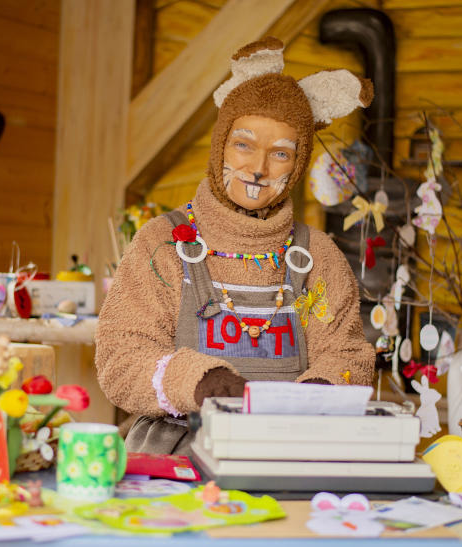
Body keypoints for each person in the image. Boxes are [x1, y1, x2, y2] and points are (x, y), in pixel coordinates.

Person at [96, 37, 376, 455]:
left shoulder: (318, 257)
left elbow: (348, 354)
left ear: (298, 165)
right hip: (176, 453)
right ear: (220, 144)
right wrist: (198, 381)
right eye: (244, 144)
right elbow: (121, 357)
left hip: (286, 451)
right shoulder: (161, 245)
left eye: (280, 154)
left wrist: (320, 393)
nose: (259, 169)